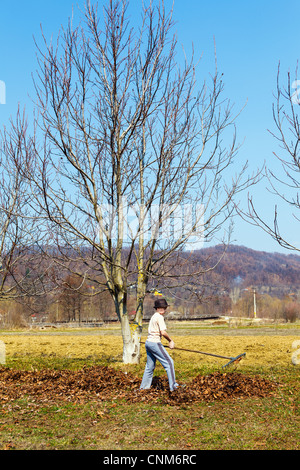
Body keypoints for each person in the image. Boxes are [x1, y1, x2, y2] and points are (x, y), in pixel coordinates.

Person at [140, 298, 179, 392]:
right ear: (158, 308)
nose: (163, 309)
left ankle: (143, 388)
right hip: (154, 343)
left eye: (163, 307)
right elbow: (163, 332)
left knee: (150, 367)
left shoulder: (153, 316)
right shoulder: (160, 317)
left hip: (148, 343)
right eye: (161, 307)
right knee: (169, 363)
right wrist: (170, 341)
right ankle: (173, 387)